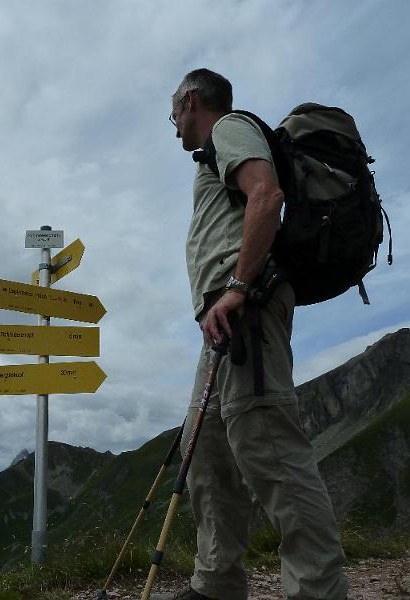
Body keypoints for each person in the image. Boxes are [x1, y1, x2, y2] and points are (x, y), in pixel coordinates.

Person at [168, 68, 349, 600]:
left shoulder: (230, 129)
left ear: (192, 100)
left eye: (173, 111)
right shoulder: (214, 151)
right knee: (206, 452)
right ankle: (217, 584)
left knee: (266, 443)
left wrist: (239, 286)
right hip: (223, 320)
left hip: (245, 306)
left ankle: (317, 590)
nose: (173, 123)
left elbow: (265, 196)